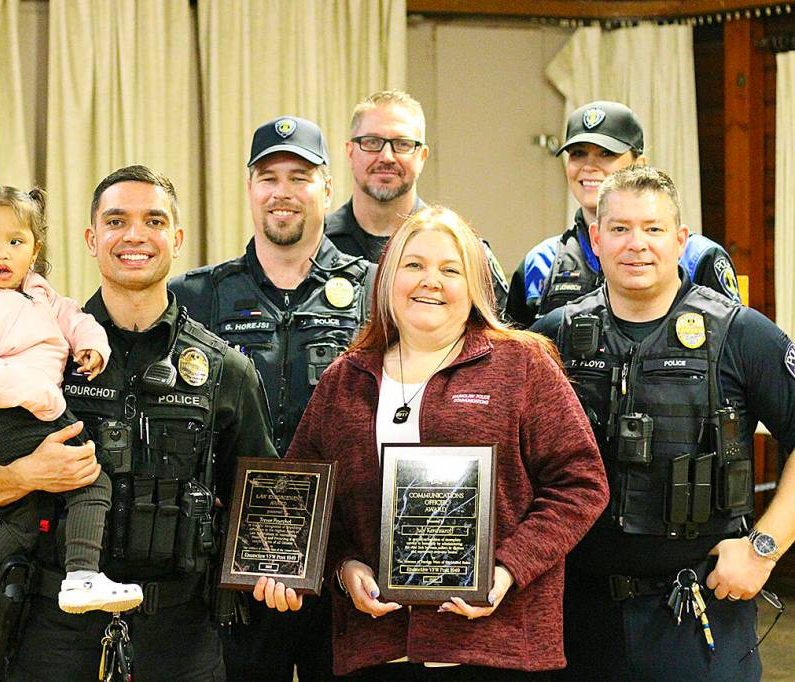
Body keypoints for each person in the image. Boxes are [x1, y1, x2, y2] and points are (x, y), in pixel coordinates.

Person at [0, 165, 277, 681]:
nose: (135, 235)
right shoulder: (34, 344)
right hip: (52, 630)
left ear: (177, 238)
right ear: (92, 238)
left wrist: (276, 569)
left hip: (179, 633)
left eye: (154, 221)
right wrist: (24, 476)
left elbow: (262, 495)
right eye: (117, 221)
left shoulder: (224, 370)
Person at [259, 205, 609, 678]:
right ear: (385, 280)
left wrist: (506, 570)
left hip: (496, 647)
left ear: (475, 287)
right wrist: (344, 569)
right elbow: (307, 505)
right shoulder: (344, 381)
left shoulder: (522, 365)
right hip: (378, 651)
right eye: (414, 266)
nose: (431, 281)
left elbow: (582, 484)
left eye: (450, 269)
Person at [531, 165, 795, 680]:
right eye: (621, 229)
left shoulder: (742, 335)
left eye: (653, 229)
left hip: (699, 611)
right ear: (596, 240)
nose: (637, 244)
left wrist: (764, 549)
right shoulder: (552, 337)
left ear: (680, 240)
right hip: (576, 614)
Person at [171, 116, 374, 681]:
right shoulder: (195, 295)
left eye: (300, 176)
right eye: (269, 177)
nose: (283, 191)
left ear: (328, 189)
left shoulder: (376, 291)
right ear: (250, 188)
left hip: (343, 562)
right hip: (229, 562)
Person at [0, 186, 144, 655]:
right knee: (92, 481)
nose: (2, 254)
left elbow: (71, 315)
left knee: (25, 516)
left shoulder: (36, 292)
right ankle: (81, 577)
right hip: (12, 417)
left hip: (24, 413)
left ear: (34, 249)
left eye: (15, 242)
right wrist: (37, 394)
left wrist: (92, 343)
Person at [507, 100, 740, 327]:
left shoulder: (697, 256)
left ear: (640, 165)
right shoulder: (541, 262)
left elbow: (731, 345)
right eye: (578, 153)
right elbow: (513, 357)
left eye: (606, 153)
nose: (589, 166)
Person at [325, 90, 509, 310]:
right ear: (350, 151)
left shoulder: (462, 249)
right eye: (372, 142)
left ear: (422, 156)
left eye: (402, 144)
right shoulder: (316, 245)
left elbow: (498, 338)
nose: (386, 157)